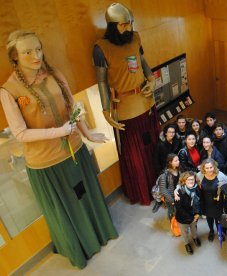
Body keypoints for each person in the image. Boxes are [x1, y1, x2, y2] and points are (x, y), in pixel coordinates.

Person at [1, 29, 118, 268]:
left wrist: (86, 133)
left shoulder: (53, 73)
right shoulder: (8, 91)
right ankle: (79, 248)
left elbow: (72, 106)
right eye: (27, 52)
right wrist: (61, 132)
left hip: (76, 152)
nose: (36, 55)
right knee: (67, 209)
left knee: (87, 197)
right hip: (47, 164)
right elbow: (21, 133)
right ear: (15, 57)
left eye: (38, 49)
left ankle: (101, 233)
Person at [93, 3, 159, 205]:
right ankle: (142, 191)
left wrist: (151, 79)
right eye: (123, 25)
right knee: (135, 156)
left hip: (145, 101)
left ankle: (161, 185)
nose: (128, 28)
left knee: (154, 146)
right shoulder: (101, 48)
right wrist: (105, 110)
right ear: (113, 26)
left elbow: (142, 61)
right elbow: (102, 81)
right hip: (125, 108)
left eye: (130, 23)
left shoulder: (136, 37)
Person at [197, 158, 227, 241]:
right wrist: (176, 190)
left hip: (217, 203)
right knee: (209, 218)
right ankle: (211, 231)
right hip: (206, 202)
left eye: (211, 167)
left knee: (218, 219)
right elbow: (187, 181)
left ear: (214, 167)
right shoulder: (200, 175)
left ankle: (220, 231)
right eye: (207, 168)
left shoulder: (220, 175)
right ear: (203, 168)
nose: (209, 170)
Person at [175, 171, 202, 255]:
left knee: (194, 229)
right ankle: (187, 244)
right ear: (184, 181)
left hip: (194, 215)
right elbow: (179, 208)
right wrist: (191, 218)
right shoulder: (179, 192)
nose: (190, 181)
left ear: (195, 180)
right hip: (183, 218)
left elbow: (201, 201)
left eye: (192, 179)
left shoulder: (197, 189)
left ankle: (195, 238)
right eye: (188, 179)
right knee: (184, 232)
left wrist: (198, 213)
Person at [158, 154, 181, 218]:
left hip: (178, 196)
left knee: (179, 212)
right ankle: (173, 224)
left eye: (178, 160)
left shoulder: (179, 170)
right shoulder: (165, 174)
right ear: (170, 162)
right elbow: (163, 189)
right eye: (176, 161)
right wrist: (172, 200)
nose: (178, 161)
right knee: (172, 212)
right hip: (170, 198)